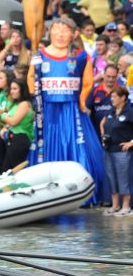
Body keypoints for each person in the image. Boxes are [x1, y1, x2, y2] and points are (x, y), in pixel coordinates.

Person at [29, 18, 105, 205]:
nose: (60, 35)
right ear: (50, 32)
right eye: (57, 30)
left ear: (74, 34)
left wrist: (82, 98)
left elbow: (87, 82)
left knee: (80, 148)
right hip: (48, 111)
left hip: (72, 110)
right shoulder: (40, 55)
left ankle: (84, 192)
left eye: (65, 31)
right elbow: (31, 78)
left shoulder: (81, 56)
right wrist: (35, 95)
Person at [100, 86, 133, 216]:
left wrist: (131, 142)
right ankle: (115, 205)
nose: (111, 99)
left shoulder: (130, 111)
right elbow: (102, 123)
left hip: (122, 151)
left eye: (114, 96)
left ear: (123, 97)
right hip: (109, 149)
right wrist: (103, 136)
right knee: (111, 178)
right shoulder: (111, 111)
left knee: (123, 178)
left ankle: (126, 206)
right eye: (111, 96)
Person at [0, 81, 34, 173]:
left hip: (20, 139)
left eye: (15, 89)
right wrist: (6, 127)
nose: (12, 91)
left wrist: (2, 114)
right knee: (6, 170)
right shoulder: (16, 104)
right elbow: (11, 122)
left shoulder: (25, 104)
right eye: (11, 89)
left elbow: (14, 121)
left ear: (22, 90)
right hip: (12, 138)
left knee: (13, 170)